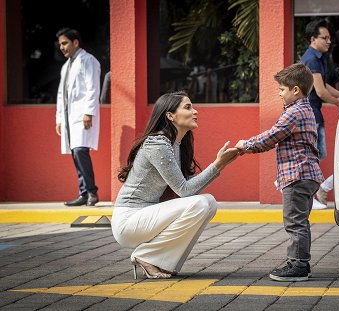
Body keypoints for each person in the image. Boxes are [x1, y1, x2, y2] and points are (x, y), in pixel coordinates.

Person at [111, 91, 239, 279]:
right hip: (129, 220)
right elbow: (185, 191)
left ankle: (160, 260)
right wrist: (219, 164)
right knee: (201, 203)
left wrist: (221, 164)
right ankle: (146, 256)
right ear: (170, 115)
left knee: (208, 202)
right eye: (188, 107)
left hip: (146, 216)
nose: (195, 111)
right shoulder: (157, 143)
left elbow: (187, 188)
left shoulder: (177, 144)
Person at [235, 63, 324, 282]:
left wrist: (244, 145)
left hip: (297, 175)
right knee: (299, 220)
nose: (278, 93)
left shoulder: (294, 113)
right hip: (305, 174)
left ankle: (299, 265)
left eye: (282, 89)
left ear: (295, 90)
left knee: (295, 222)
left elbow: (270, 137)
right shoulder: (306, 109)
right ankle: (300, 262)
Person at [300, 19, 339, 209]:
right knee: (313, 156)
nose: (329, 41)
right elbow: (320, 92)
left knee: (315, 155)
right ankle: (308, 196)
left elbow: (324, 85)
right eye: (325, 38)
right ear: (313, 39)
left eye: (330, 38)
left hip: (314, 114)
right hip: (310, 115)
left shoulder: (318, 58)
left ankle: (311, 193)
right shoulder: (312, 59)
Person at [55, 28, 101, 206]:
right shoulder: (67, 66)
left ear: (75, 42)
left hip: (82, 115)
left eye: (65, 43)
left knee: (81, 150)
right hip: (69, 117)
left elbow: (93, 87)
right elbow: (61, 94)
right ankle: (84, 193)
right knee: (75, 152)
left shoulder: (87, 60)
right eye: (60, 44)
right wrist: (59, 118)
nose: (62, 47)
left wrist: (88, 112)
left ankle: (91, 192)